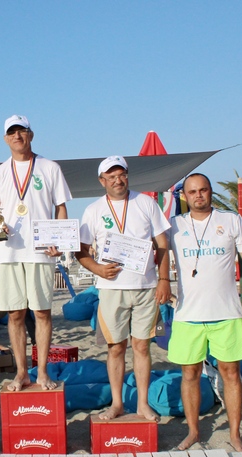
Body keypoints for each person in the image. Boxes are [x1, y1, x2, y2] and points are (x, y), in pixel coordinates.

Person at [168, 173, 242, 452]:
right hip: (187, 314)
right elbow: (155, 253)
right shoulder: (174, 225)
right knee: (190, 374)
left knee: (231, 373)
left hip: (227, 312)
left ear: (210, 192)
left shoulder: (230, 220)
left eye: (203, 190)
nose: (198, 195)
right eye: (192, 191)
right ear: (185, 196)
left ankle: (235, 434)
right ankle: (193, 432)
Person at [76, 156, 171, 423]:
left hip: (145, 287)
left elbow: (162, 243)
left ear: (127, 176)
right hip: (111, 289)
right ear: (102, 181)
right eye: (111, 176)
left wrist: (164, 280)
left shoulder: (145, 202)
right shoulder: (93, 210)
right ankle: (117, 404)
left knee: (142, 347)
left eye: (122, 175)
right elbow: (81, 250)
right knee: (115, 347)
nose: (118, 180)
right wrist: (97, 269)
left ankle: (142, 404)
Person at [0, 115, 72, 391]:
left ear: (31, 135)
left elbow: (61, 208)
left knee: (42, 312)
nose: (17, 136)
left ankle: (42, 372)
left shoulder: (50, 167)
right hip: (10, 252)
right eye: (12, 132)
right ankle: (21, 373)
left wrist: (60, 241)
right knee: (15, 314)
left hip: (41, 251)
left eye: (22, 131)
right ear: (5, 138)